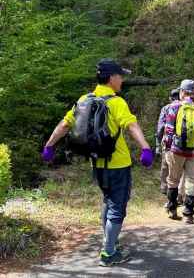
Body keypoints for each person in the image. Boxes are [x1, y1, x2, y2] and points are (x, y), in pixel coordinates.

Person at [41, 59, 154, 266]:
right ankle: (109, 253)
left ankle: (109, 242)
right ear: (111, 78)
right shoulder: (116, 102)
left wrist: (49, 146)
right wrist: (145, 148)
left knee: (108, 202)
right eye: (120, 76)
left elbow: (65, 125)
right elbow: (131, 126)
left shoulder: (84, 99)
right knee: (117, 208)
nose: (122, 80)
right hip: (118, 164)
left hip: (97, 164)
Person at [163, 79, 194, 223]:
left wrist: (167, 146)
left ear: (182, 92)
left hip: (176, 150)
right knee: (191, 180)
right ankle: (188, 214)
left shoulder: (174, 107)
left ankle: (172, 209)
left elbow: (169, 129)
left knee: (173, 180)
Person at [156, 88, 185, 203]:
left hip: (169, 142)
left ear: (170, 98)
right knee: (182, 167)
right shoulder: (186, 107)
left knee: (166, 165)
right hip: (183, 143)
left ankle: (165, 188)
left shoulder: (166, 108)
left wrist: (158, 144)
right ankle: (180, 192)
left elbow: (160, 127)